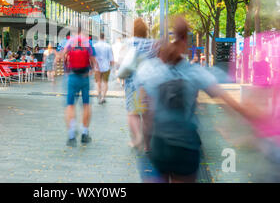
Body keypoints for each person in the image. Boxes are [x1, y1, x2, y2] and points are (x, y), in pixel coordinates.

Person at [135, 17, 264, 183]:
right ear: (185, 42)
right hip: (186, 147)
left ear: (158, 45)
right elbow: (228, 102)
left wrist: (146, 144)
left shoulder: (149, 71)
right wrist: (255, 122)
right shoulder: (194, 72)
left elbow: (146, 113)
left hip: (159, 145)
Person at [122, 18, 157, 152]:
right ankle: (148, 145)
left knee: (133, 113)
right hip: (149, 83)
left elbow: (123, 63)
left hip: (132, 83)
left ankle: (137, 137)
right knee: (148, 115)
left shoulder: (129, 43)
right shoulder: (153, 45)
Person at [63, 26, 97, 147]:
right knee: (86, 105)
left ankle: (71, 135)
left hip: (72, 76)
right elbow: (93, 59)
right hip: (84, 77)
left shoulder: (70, 42)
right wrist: (92, 70)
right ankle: (84, 133)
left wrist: (66, 69)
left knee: (70, 105)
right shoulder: (88, 42)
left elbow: (62, 56)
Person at [93, 32, 114, 104]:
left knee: (98, 82)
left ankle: (99, 94)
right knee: (105, 83)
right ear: (104, 37)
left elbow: (92, 57)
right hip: (106, 67)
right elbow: (111, 59)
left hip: (97, 67)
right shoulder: (108, 46)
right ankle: (103, 97)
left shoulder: (94, 46)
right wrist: (112, 67)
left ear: (99, 38)